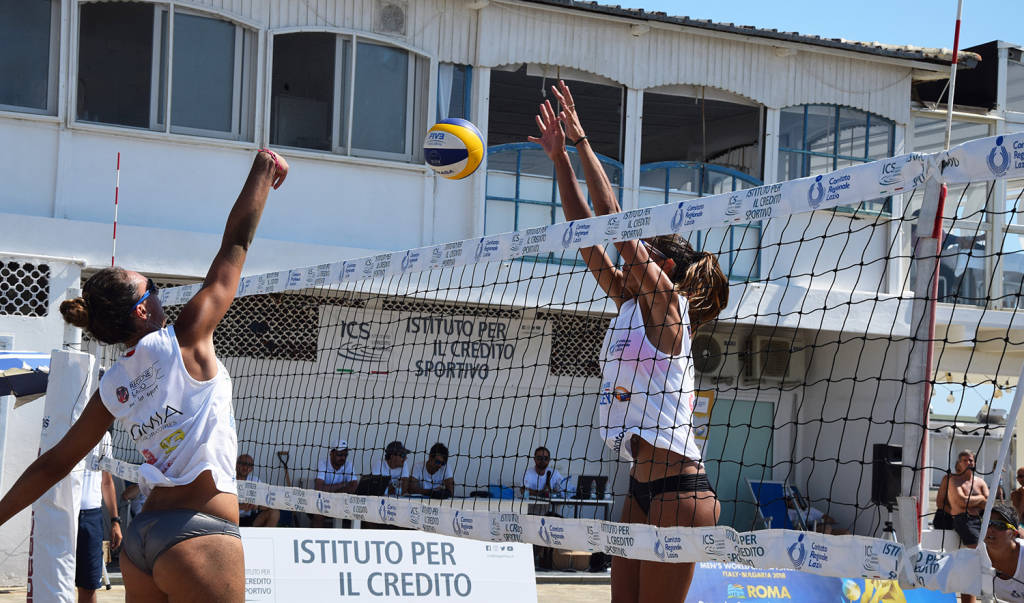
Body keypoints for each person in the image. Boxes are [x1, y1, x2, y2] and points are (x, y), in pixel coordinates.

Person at [0, 148, 288, 602]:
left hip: (144, 541)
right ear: (143, 307)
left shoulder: (113, 383)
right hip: (201, 533)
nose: (157, 290)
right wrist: (263, 170)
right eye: (151, 286)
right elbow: (235, 243)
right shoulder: (186, 336)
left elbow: (54, 463)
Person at [530, 81, 727, 603]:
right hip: (642, 486)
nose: (630, 256)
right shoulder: (628, 302)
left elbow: (615, 223)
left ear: (661, 267)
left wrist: (583, 140)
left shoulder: (667, 306)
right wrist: (559, 158)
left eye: (645, 247)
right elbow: (583, 228)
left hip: (681, 491)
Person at [936, 449, 989, 603]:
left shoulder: (979, 481)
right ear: (958, 464)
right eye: (965, 460)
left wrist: (972, 501)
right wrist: (954, 510)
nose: (969, 462)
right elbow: (960, 501)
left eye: (971, 460)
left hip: (981, 520)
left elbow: (989, 501)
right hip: (962, 519)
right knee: (974, 558)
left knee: (982, 558)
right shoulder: (951, 479)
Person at [77, 431, 122, 603]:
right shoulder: (62, 423)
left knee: (88, 586)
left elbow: (107, 481)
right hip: (64, 514)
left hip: (91, 517)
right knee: (56, 580)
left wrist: (115, 521)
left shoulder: (104, 435)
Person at [312, 440, 357, 528]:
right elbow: (319, 489)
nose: (343, 458)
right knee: (318, 514)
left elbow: (354, 487)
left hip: (341, 501)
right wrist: (343, 485)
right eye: (340, 455)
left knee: (359, 512)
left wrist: (333, 492)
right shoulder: (322, 464)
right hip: (321, 501)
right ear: (331, 453)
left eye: (345, 455)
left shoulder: (348, 465)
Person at [987, 503, 1024, 601]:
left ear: (1013, 534)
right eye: (987, 523)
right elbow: (967, 592)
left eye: (999, 525)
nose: (991, 529)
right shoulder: (975, 556)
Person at [236, 454, 279, 528]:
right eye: (243, 463)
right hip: (230, 519)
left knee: (274, 513)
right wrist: (240, 507)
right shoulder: (228, 480)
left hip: (249, 518)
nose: (245, 467)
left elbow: (269, 503)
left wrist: (256, 506)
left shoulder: (255, 480)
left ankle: (266, 539)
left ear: (252, 468)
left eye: (249, 465)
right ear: (236, 465)